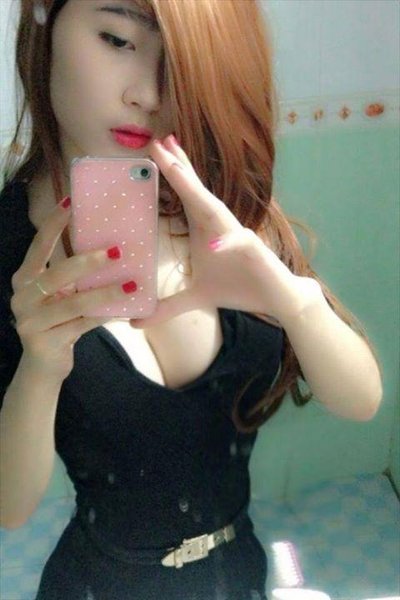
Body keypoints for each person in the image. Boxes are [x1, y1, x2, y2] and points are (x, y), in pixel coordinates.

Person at [0, 0, 384, 598]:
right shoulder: (10, 248)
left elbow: (361, 401)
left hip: (240, 576)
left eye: (180, 63)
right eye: (117, 39)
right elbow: (10, 508)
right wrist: (41, 368)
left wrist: (295, 303)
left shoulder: (220, 205)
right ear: (45, 18)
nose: (150, 96)